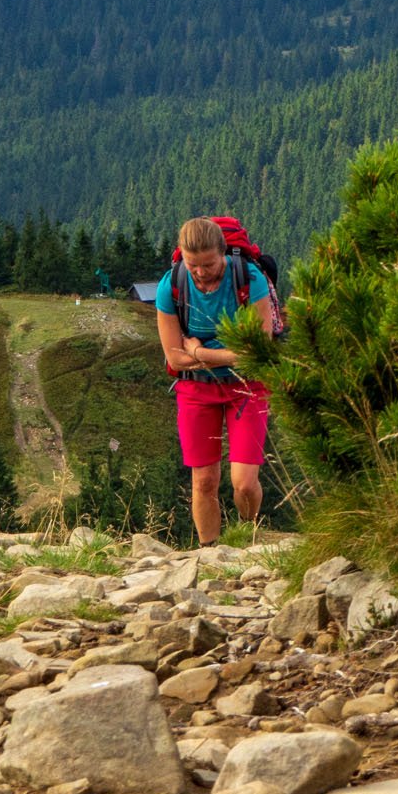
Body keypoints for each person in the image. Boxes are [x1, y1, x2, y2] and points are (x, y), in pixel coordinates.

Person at [155, 217, 278, 547]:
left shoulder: (250, 279)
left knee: (244, 483)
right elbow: (174, 359)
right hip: (195, 389)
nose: (199, 273)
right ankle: (210, 553)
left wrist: (201, 352)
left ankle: (245, 535)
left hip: (246, 386)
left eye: (208, 264)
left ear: (223, 253)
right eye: (192, 265)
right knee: (204, 480)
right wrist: (222, 354)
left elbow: (257, 350)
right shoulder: (172, 284)